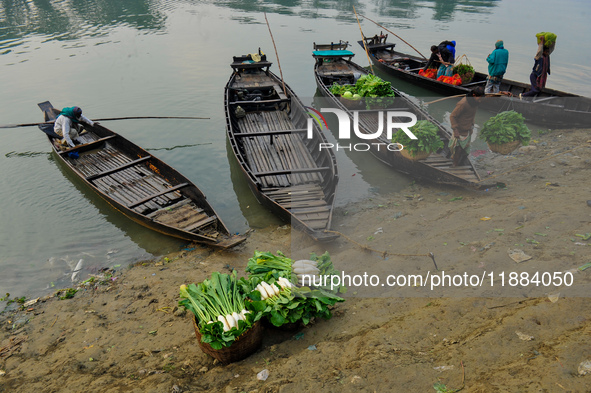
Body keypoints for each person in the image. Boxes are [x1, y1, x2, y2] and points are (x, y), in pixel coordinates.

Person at [449, 87, 485, 166]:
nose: (480, 101)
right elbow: (452, 116)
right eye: (479, 99)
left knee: (465, 150)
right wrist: (455, 130)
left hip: (468, 128)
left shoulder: (475, 101)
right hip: (460, 129)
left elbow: (489, 96)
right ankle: (454, 165)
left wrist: (502, 93)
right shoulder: (463, 103)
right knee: (458, 149)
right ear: (474, 95)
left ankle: (460, 162)